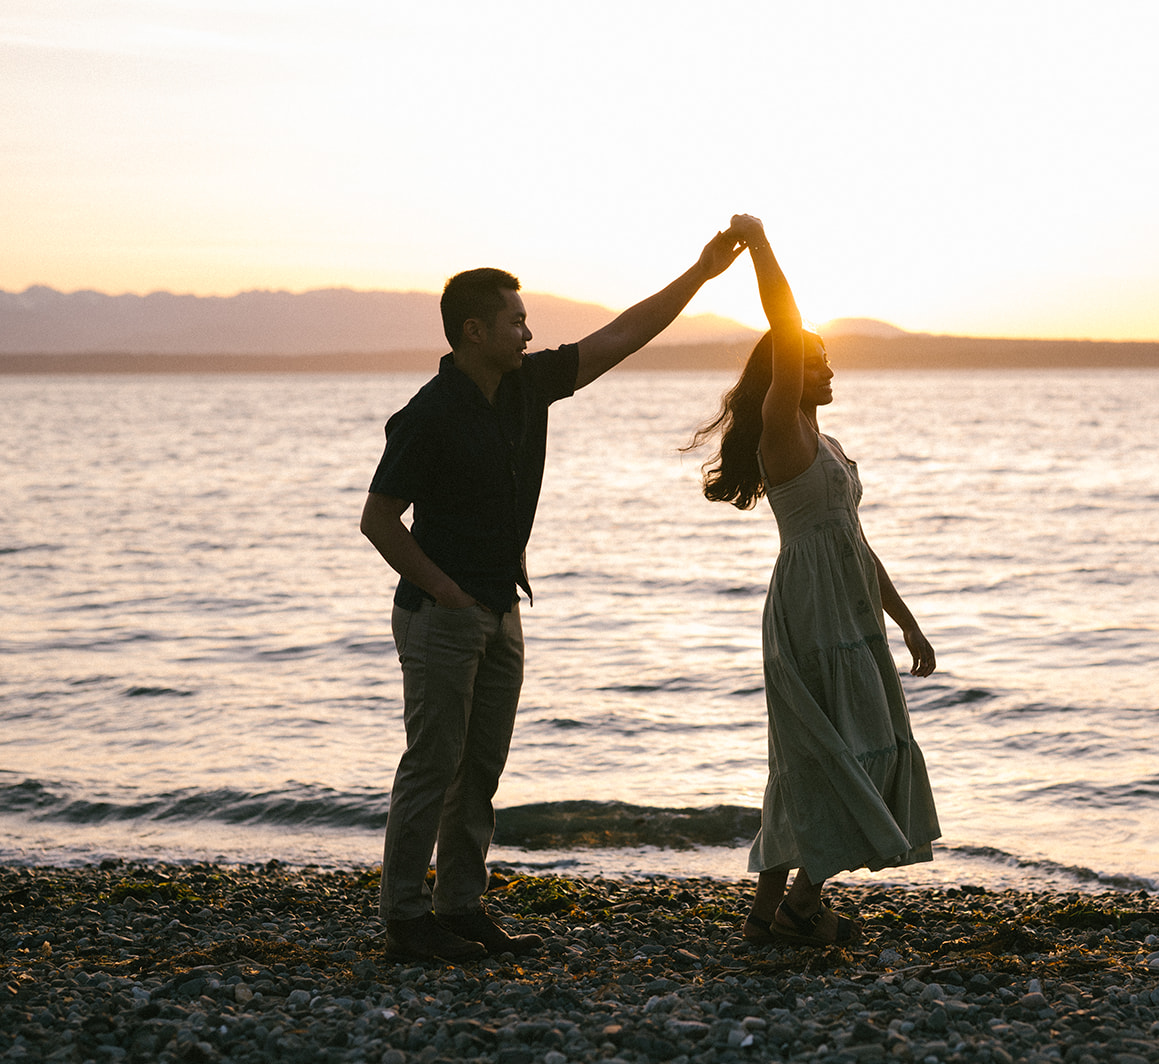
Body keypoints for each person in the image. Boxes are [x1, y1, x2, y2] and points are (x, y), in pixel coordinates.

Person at [362, 227, 746, 963]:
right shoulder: (429, 414)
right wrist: (444, 592)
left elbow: (623, 335)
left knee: (480, 770)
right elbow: (378, 520)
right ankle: (405, 920)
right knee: (432, 765)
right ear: (475, 331)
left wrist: (698, 274)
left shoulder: (527, 387)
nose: (528, 331)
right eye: (515, 320)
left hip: (499, 610)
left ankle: (461, 906)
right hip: (442, 616)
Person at [688, 215, 940, 946]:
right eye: (815, 362)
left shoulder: (824, 440)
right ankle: (798, 907)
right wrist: (762, 248)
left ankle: (772, 916)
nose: (829, 371)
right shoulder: (781, 429)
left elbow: (855, 542)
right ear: (790, 369)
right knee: (819, 755)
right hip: (809, 613)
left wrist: (905, 618)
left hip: (849, 610)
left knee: (857, 747)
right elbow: (785, 319)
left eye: (828, 361)